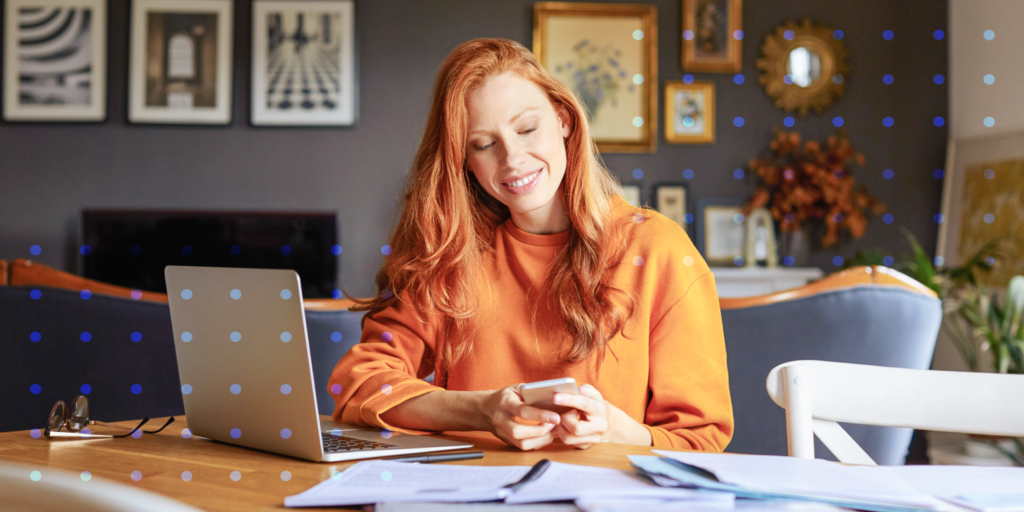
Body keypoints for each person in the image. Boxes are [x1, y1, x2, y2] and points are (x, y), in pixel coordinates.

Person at [329, 38, 732, 451]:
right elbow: (360, 384)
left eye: (526, 129)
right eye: (484, 144)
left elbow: (701, 438)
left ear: (564, 120)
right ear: (464, 161)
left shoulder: (657, 249)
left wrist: (615, 429)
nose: (513, 158)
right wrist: (482, 410)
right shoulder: (455, 255)